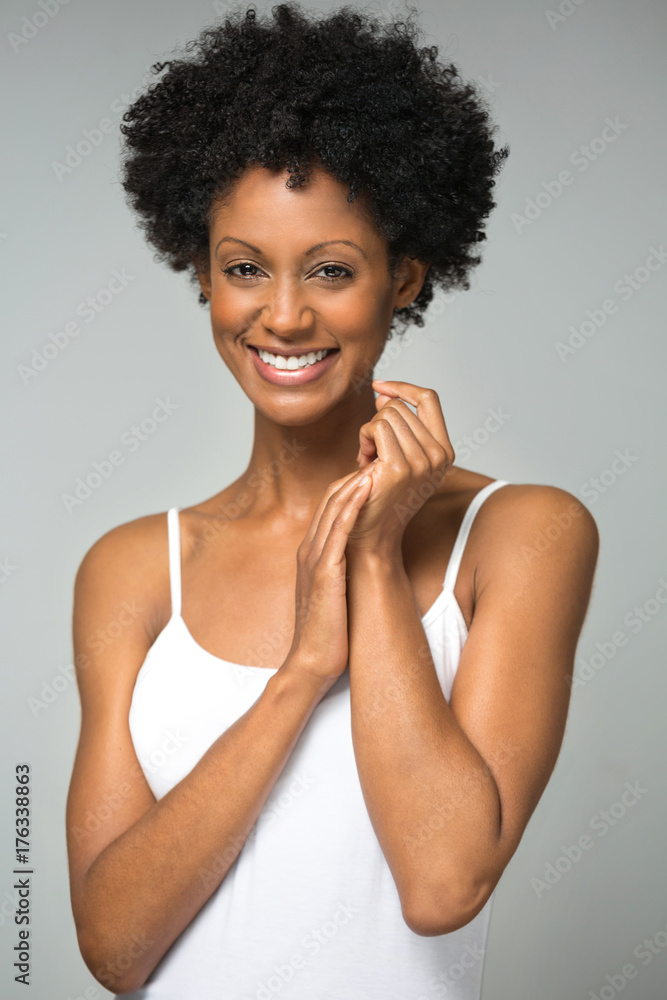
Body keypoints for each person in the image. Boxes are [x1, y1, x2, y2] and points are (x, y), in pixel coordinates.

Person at [65, 3, 599, 997]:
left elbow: (443, 883)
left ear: (404, 277)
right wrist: (304, 671)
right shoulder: (134, 569)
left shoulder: (521, 535)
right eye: (243, 269)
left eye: (330, 271)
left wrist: (374, 552)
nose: (282, 314)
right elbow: (113, 948)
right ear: (202, 274)